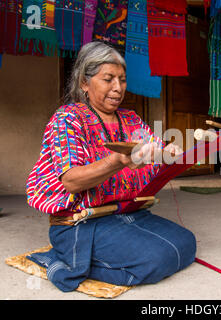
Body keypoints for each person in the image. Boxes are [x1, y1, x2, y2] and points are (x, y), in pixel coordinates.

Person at [25, 41, 196, 292]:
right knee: (156, 258)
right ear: (85, 82)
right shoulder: (67, 119)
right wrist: (117, 161)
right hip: (80, 223)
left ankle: (81, 260)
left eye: (122, 79)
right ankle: (64, 261)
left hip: (127, 213)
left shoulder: (130, 119)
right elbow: (71, 181)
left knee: (186, 243)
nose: (118, 88)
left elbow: (154, 152)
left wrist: (169, 154)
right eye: (108, 79)